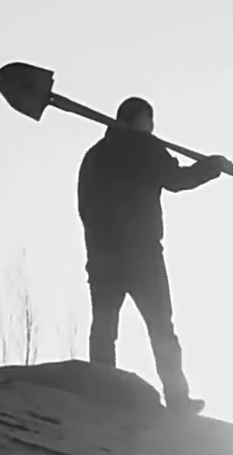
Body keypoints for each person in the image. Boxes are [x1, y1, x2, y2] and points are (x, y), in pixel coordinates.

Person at [77, 97, 230, 414]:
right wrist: (213, 166)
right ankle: (177, 398)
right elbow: (178, 180)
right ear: (142, 120)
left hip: (103, 256)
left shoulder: (94, 156)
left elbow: (84, 208)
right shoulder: (145, 148)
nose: (152, 127)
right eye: (151, 121)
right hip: (142, 255)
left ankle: (101, 391)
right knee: (161, 328)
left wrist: (99, 245)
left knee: (104, 326)